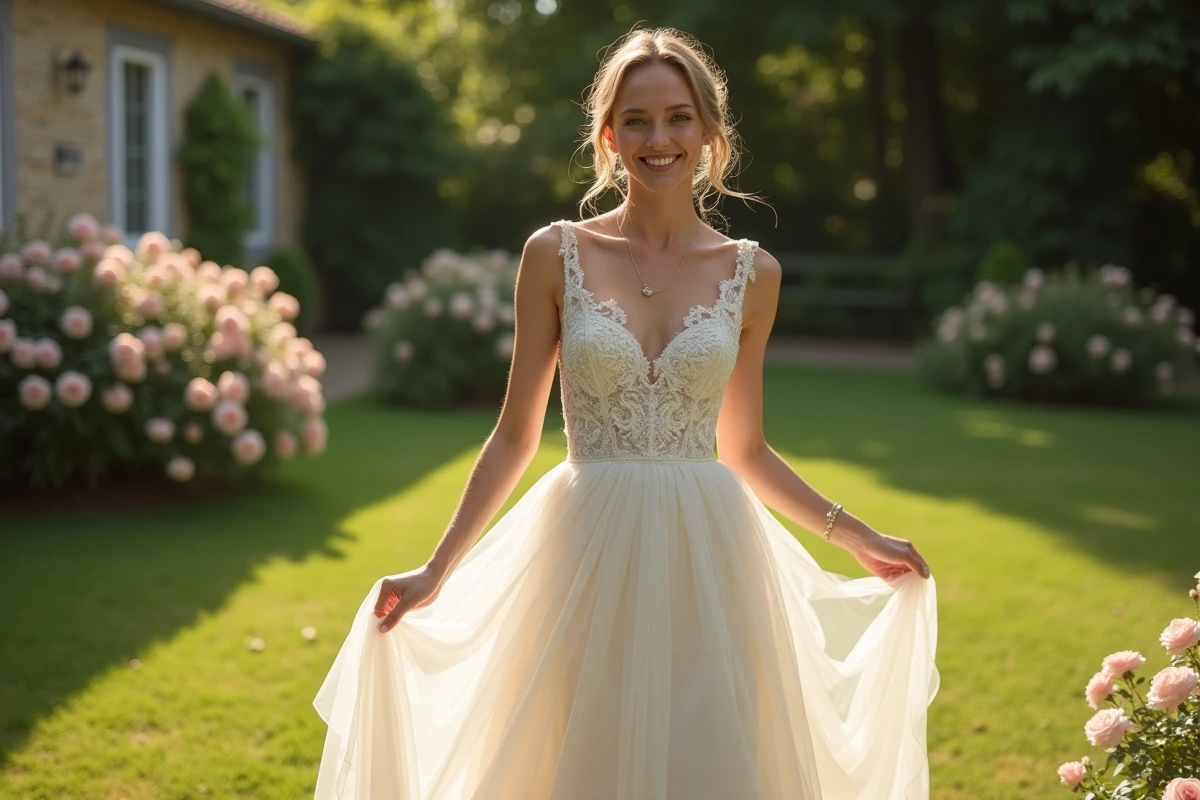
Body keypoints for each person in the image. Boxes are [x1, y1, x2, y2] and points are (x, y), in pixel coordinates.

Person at [313, 26, 939, 800]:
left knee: (707, 759)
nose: (659, 138)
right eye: (637, 120)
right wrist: (438, 567)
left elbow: (744, 448)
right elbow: (514, 435)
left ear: (710, 133)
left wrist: (858, 534)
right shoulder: (556, 253)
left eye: (679, 117)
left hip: (710, 558)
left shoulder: (753, 275)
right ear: (609, 135)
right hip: (582, 550)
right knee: (578, 757)